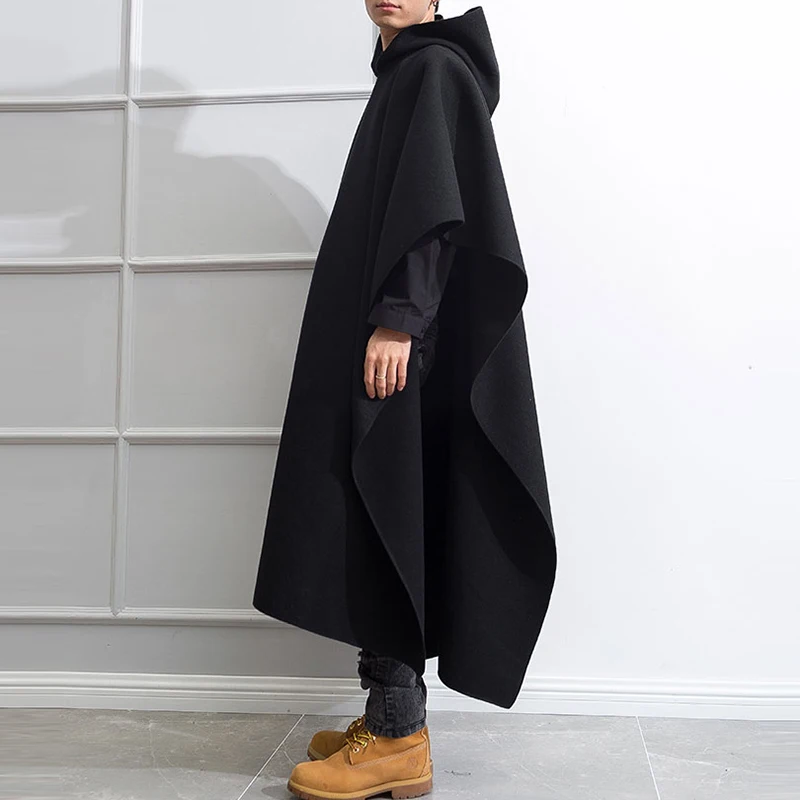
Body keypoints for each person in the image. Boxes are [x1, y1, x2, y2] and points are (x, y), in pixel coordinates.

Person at [252, 4, 558, 798]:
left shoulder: (431, 69)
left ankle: (397, 736)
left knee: (388, 512)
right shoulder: (407, 69)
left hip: (401, 342)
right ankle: (388, 718)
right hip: (399, 336)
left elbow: (435, 213)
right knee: (378, 511)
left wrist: (399, 319)